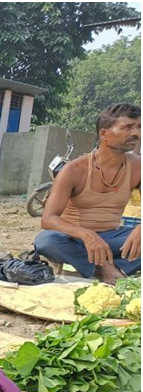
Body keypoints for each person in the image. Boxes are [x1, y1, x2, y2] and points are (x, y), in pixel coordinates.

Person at [35, 103, 141, 284]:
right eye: (127, 127)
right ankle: (105, 269)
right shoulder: (74, 169)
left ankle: (108, 268)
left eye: (139, 127)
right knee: (46, 241)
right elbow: (48, 219)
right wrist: (87, 235)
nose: (136, 133)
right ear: (104, 134)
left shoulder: (138, 167)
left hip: (112, 239)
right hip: (75, 239)